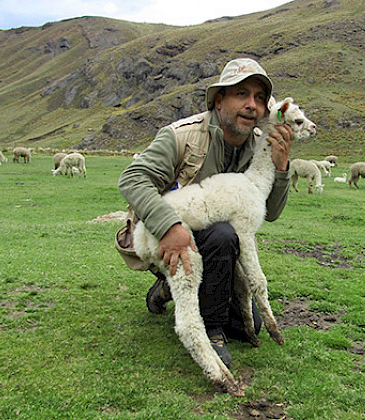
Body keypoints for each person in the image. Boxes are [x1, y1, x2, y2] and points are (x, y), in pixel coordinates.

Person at [118, 58, 293, 367]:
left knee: (247, 323)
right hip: (166, 236)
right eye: (241, 94)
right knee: (222, 234)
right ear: (218, 100)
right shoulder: (182, 136)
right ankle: (211, 330)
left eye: (259, 99)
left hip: (218, 247)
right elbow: (133, 179)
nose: (252, 105)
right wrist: (169, 226)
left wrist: (280, 168)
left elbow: (272, 214)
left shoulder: (259, 145)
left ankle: (168, 292)